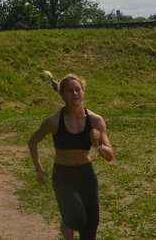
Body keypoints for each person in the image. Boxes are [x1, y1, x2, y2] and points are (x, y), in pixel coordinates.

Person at [28, 73, 114, 240]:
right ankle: (68, 223)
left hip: (86, 175)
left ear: (83, 92)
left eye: (77, 90)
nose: (74, 94)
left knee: (91, 225)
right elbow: (33, 142)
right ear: (61, 94)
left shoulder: (95, 120)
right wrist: (39, 170)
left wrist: (97, 145)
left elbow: (110, 156)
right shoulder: (53, 121)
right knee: (77, 219)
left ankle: (70, 223)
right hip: (64, 176)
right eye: (69, 91)